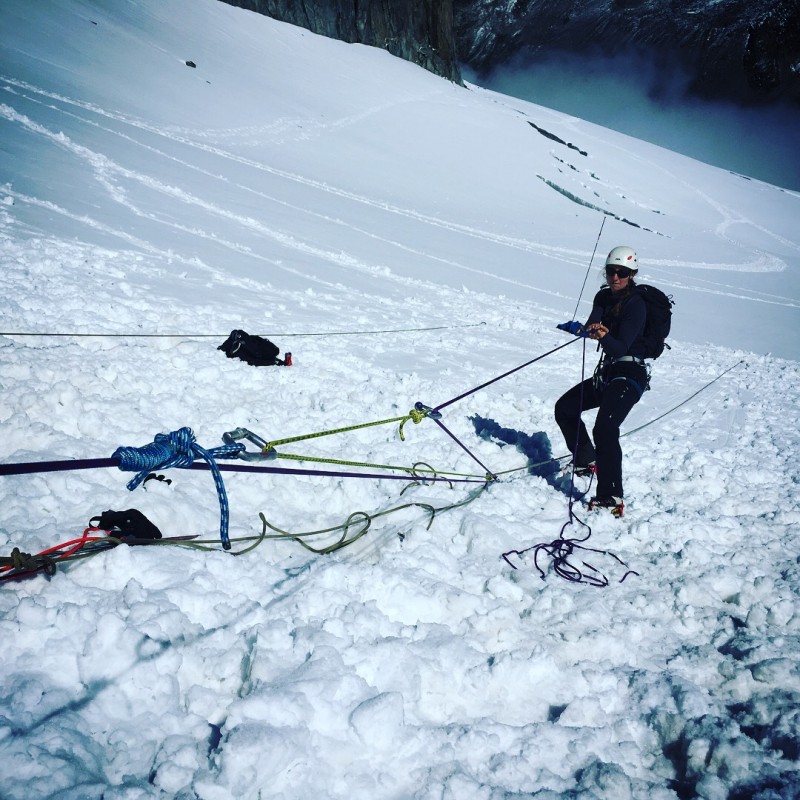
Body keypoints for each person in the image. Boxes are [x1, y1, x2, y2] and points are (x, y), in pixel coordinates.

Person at [554, 245, 651, 517]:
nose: (616, 277)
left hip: (629, 375)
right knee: (565, 408)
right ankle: (587, 461)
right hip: (607, 374)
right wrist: (583, 329)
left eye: (622, 272)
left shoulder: (637, 305)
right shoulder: (603, 297)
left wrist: (602, 336)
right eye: (611, 271)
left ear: (632, 275)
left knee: (606, 428)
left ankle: (610, 495)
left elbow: (619, 347)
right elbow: (593, 325)